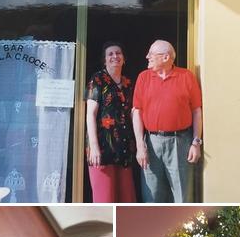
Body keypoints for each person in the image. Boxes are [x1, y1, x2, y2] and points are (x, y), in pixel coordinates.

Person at [132, 40, 202, 203]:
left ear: (165, 57)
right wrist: (140, 146)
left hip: (180, 142)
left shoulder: (186, 76)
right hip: (151, 143)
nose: (147, 56)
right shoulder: (143, 78)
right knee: (151, 195)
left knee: (182, 195)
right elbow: (137, 112)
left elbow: (197, 111)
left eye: (151, 54)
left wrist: (196, 143)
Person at [85, 41, 136, 202]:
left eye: (118, 53)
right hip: (102, 147)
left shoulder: (128, 83)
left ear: (124, 58)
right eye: (110, 54)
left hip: (124, 148)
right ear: (105, 60)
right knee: (104, 198)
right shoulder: (98, 80)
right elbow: (90, 114)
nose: (115, 56)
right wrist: (94, 147)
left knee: (126, 199)